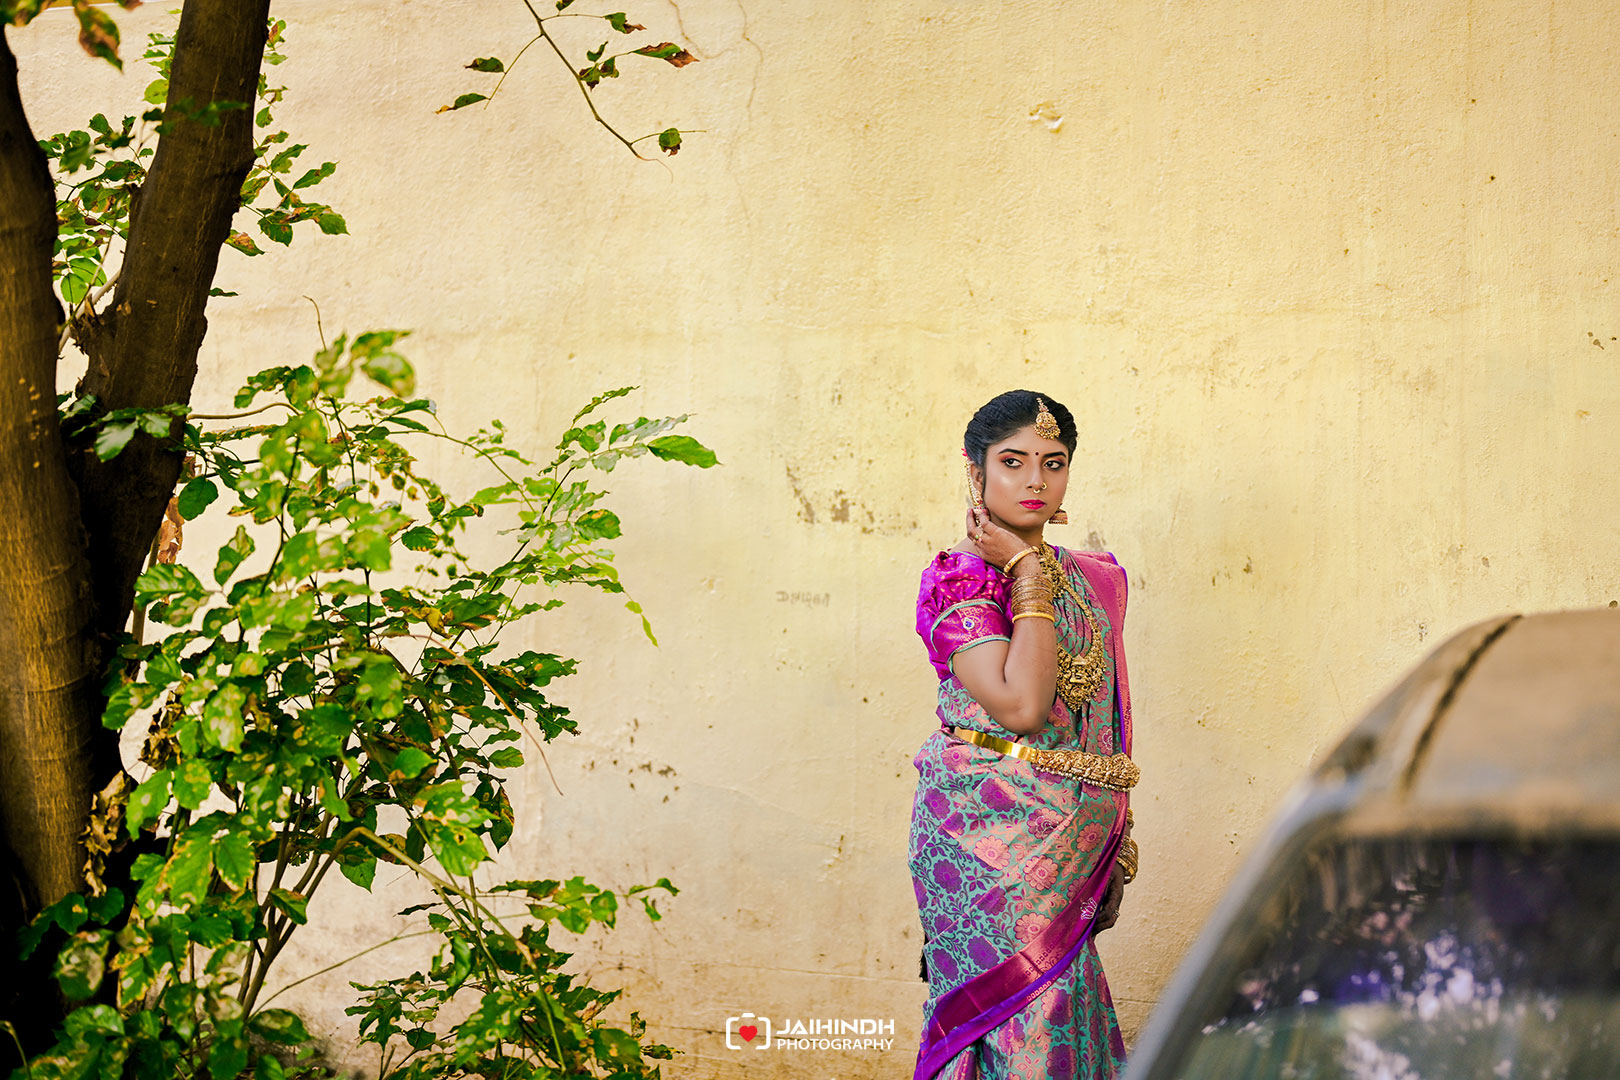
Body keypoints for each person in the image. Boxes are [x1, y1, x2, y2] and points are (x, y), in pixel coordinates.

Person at [909, 389, 1138, 1080]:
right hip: (984, 838)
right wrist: (1027, 571)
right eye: (1012, 462)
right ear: (975, 469)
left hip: (1072, 838)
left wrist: (1117, 833)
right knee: (1019, 1023)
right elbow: (1022, 707)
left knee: (1067, 1010)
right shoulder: (959, 582)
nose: (1035, 480)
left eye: (1053, 462)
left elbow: (1100, 721)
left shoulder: (1092, 578)